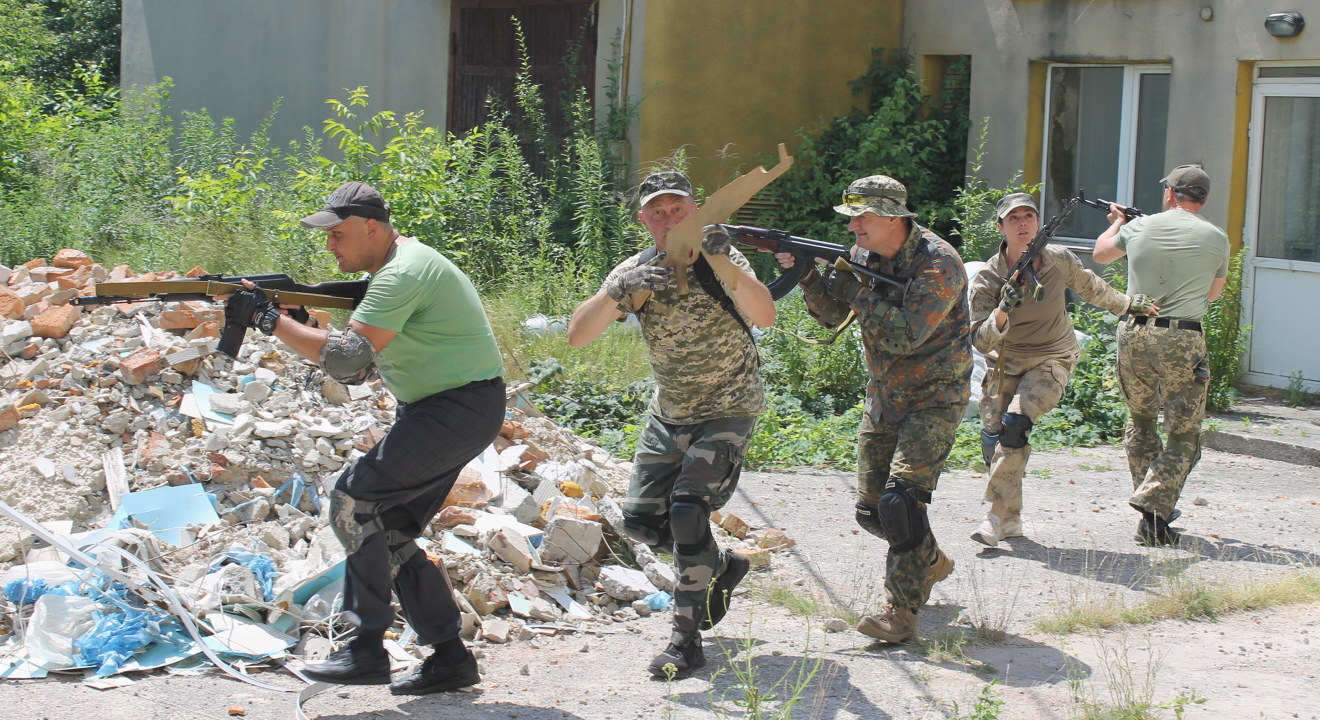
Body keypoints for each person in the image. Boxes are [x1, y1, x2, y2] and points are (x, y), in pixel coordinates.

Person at [218, 181, 506, 694]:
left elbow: (346, 359)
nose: (331, 245)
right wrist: (295, 322)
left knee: (354, 499)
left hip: (456, 407)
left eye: (339, 234)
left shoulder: (403, 272)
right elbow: (353, 370)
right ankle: (450, 659)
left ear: (372, 228)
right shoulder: (396, 269)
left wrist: (268, 319)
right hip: (451, 407)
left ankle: (367, 648)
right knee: (388, 528)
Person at [566, 170, 775, 678]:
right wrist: (619, 289)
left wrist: (722, 259)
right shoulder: (636, 272)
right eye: (656, 212)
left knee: (686, 511)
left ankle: (685, 641)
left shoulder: (722, 258)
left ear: (695, 210)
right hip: (670, 414)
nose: (668, 220)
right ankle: (722, 567)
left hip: (728, 406)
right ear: (643, 220)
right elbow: (576, 336)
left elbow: (764, 315)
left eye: (677, 209)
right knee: (640, 523)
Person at [778, 175, 970, 643]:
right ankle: (926, 557)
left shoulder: (938, 262)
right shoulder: (864, 256)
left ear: (891, 217)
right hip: (885, 395)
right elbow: (830, 314)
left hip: (935, 396)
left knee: (901, 500)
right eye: (851, 217)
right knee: (872, 513)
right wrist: (805, 273)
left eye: (861, 217)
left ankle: (900, 614)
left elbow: (905, 334)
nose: (853, 227)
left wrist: (858, 288)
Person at [968, 193, 1157, 547]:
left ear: (1038, 223)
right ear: (1001, 227)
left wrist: (1130, 305)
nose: (1023, 223)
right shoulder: (988, 278)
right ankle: (1011, 519)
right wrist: (1002, 311)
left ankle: (993, 518)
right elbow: (979, 340)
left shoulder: (1056, 258)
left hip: (1052, 358)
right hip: (1005, 363)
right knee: (994, 442)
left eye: (1029, 216)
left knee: (1014, 426)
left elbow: (1091, 287)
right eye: (1014, 218)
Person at [1092, 165, 1229, 546]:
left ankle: (1153, 522)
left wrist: (1117, 223)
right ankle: (1152, 505)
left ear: (1170, 193)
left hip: (1133, 332)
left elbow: (1101, 253)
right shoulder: (1217, 238)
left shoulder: (1141, 227)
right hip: (1182, 338)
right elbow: (1213, 295)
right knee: (1185, 434)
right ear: (1203, 198)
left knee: (1141, 420)